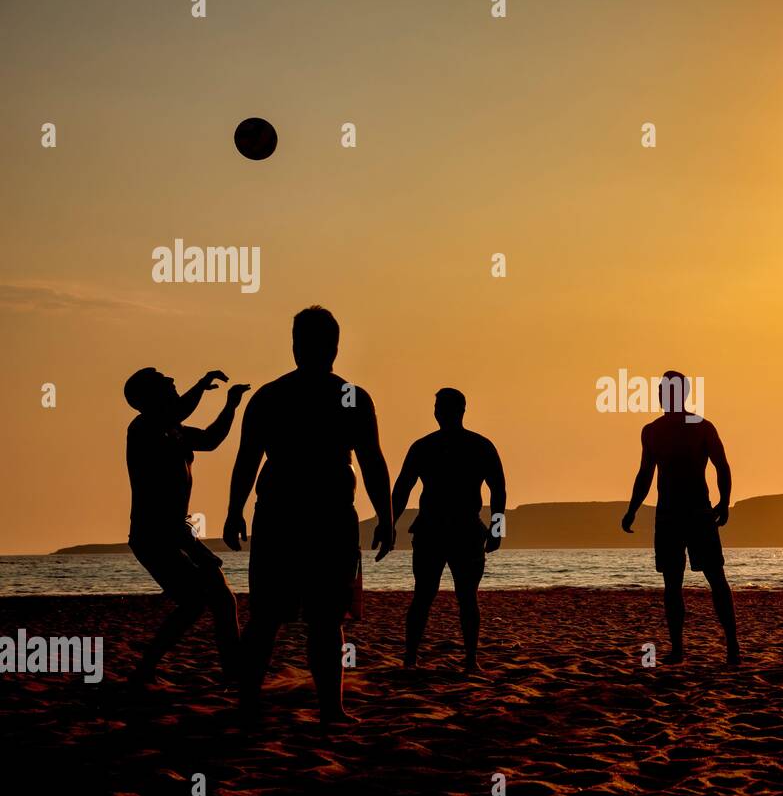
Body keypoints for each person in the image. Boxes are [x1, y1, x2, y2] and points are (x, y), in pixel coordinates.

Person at [223, 307, 394, 725]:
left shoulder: (275, 395)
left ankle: (304, 708)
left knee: (292, 618)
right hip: (308, 516)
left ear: (298, 344)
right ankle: (321, 709)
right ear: (333, 347)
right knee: (307, 619)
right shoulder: (334, 396)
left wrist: (234, 511)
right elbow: (371, 461)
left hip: (305, 516)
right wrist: (386, 518)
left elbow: (372, 462)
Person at [124, 367, 249, 686]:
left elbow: (210, 440)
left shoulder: (175, 429)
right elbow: (177, 409)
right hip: (153, 535)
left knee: (220, 599)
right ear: (148, 398)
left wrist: (230, 406)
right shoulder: (143, 428)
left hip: (179, 532)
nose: (171, 381)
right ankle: (148, 667)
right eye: (165, 381)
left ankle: (234, 673)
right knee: (196, 602)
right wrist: (200, 385)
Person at [622, 372, 740, 665]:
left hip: (697, 512)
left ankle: (732, 646)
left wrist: (724, 503)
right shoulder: (652, 430)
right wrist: (633, 507)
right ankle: (679, 648)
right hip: (670, 516)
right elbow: (645, 473)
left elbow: (722, 467)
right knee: (674, 583)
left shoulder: (700, 426)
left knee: (714, 579)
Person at [391, 388, 506, 674]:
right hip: (442, 529)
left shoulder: (466, 446)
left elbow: (499, 489)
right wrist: (387, 522)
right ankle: (418, 657)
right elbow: (402, 488)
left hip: (455, 529)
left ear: (449, 411)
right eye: (437, 407)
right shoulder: (465, 446)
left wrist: (497, 529)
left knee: (454, 596)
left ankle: (460, 659)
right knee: (437, 595)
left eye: (440, 407)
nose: (438, 412)